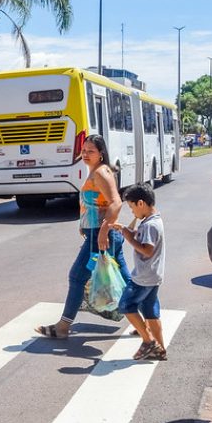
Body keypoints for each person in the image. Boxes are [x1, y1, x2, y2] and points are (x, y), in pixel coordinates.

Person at [35, 135, 131, 339]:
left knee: (77, 277)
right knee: (124, 279)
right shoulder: (96, 172)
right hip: (100, 234)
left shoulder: (101, 173)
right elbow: (95, 205)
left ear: (101, 153)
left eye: (91, 151)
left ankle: (63, 326)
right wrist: (84, 225)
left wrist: (103, 231)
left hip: (100, 236)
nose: (85, 154)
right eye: (84, 150)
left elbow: (116, 203)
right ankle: (147, 321)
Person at [112, 183, 167, 360]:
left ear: (141, 203)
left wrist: (129, 238)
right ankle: (160, 349)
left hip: (143, 278)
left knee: (126, 305)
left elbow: (147, 250)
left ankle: (149, 341)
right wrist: (129, 231)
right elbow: (146, 240)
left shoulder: (149, 226)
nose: (132, 212)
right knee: (151, 312)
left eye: (131, 207)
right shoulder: (154, 220)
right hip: (153, 276)